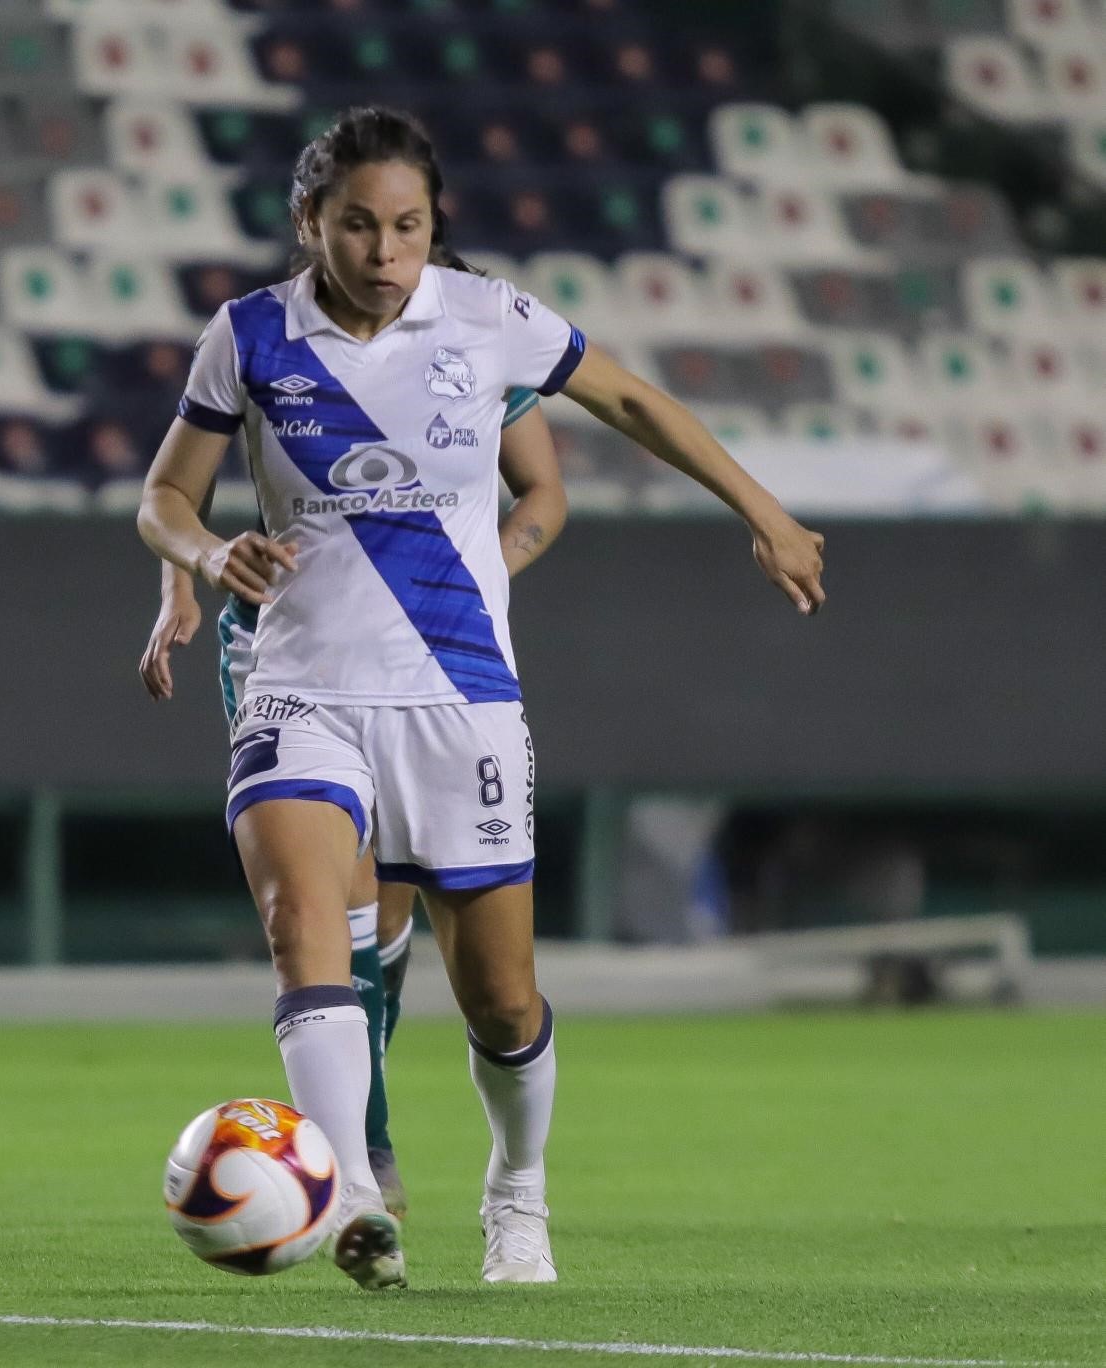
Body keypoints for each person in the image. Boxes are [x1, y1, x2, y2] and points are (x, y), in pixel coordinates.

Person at [136, 106, 824, 1292]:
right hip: (302, 685)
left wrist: (764, 512)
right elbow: (164, 497)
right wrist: (202, 559)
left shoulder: (487, 318)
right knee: (306, 925)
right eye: (360, 225)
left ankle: (517, 1192)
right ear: (310, 222)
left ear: (433, 224)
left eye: (409, 225)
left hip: (459, 696)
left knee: (502, 1003)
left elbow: (633, 403)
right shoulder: (248, 336)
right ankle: (352, 1197)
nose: (387, 251)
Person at [140, 388, 565, 1220]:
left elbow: (544, 487)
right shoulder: (263, 340)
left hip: (428, 669)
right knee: (335, 897)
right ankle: (362, 1162)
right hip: (286, 646)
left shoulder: (473, 340)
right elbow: (184, 473)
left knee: (399, 916)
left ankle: (436, 1155)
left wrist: (463, 575)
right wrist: (182, 579)